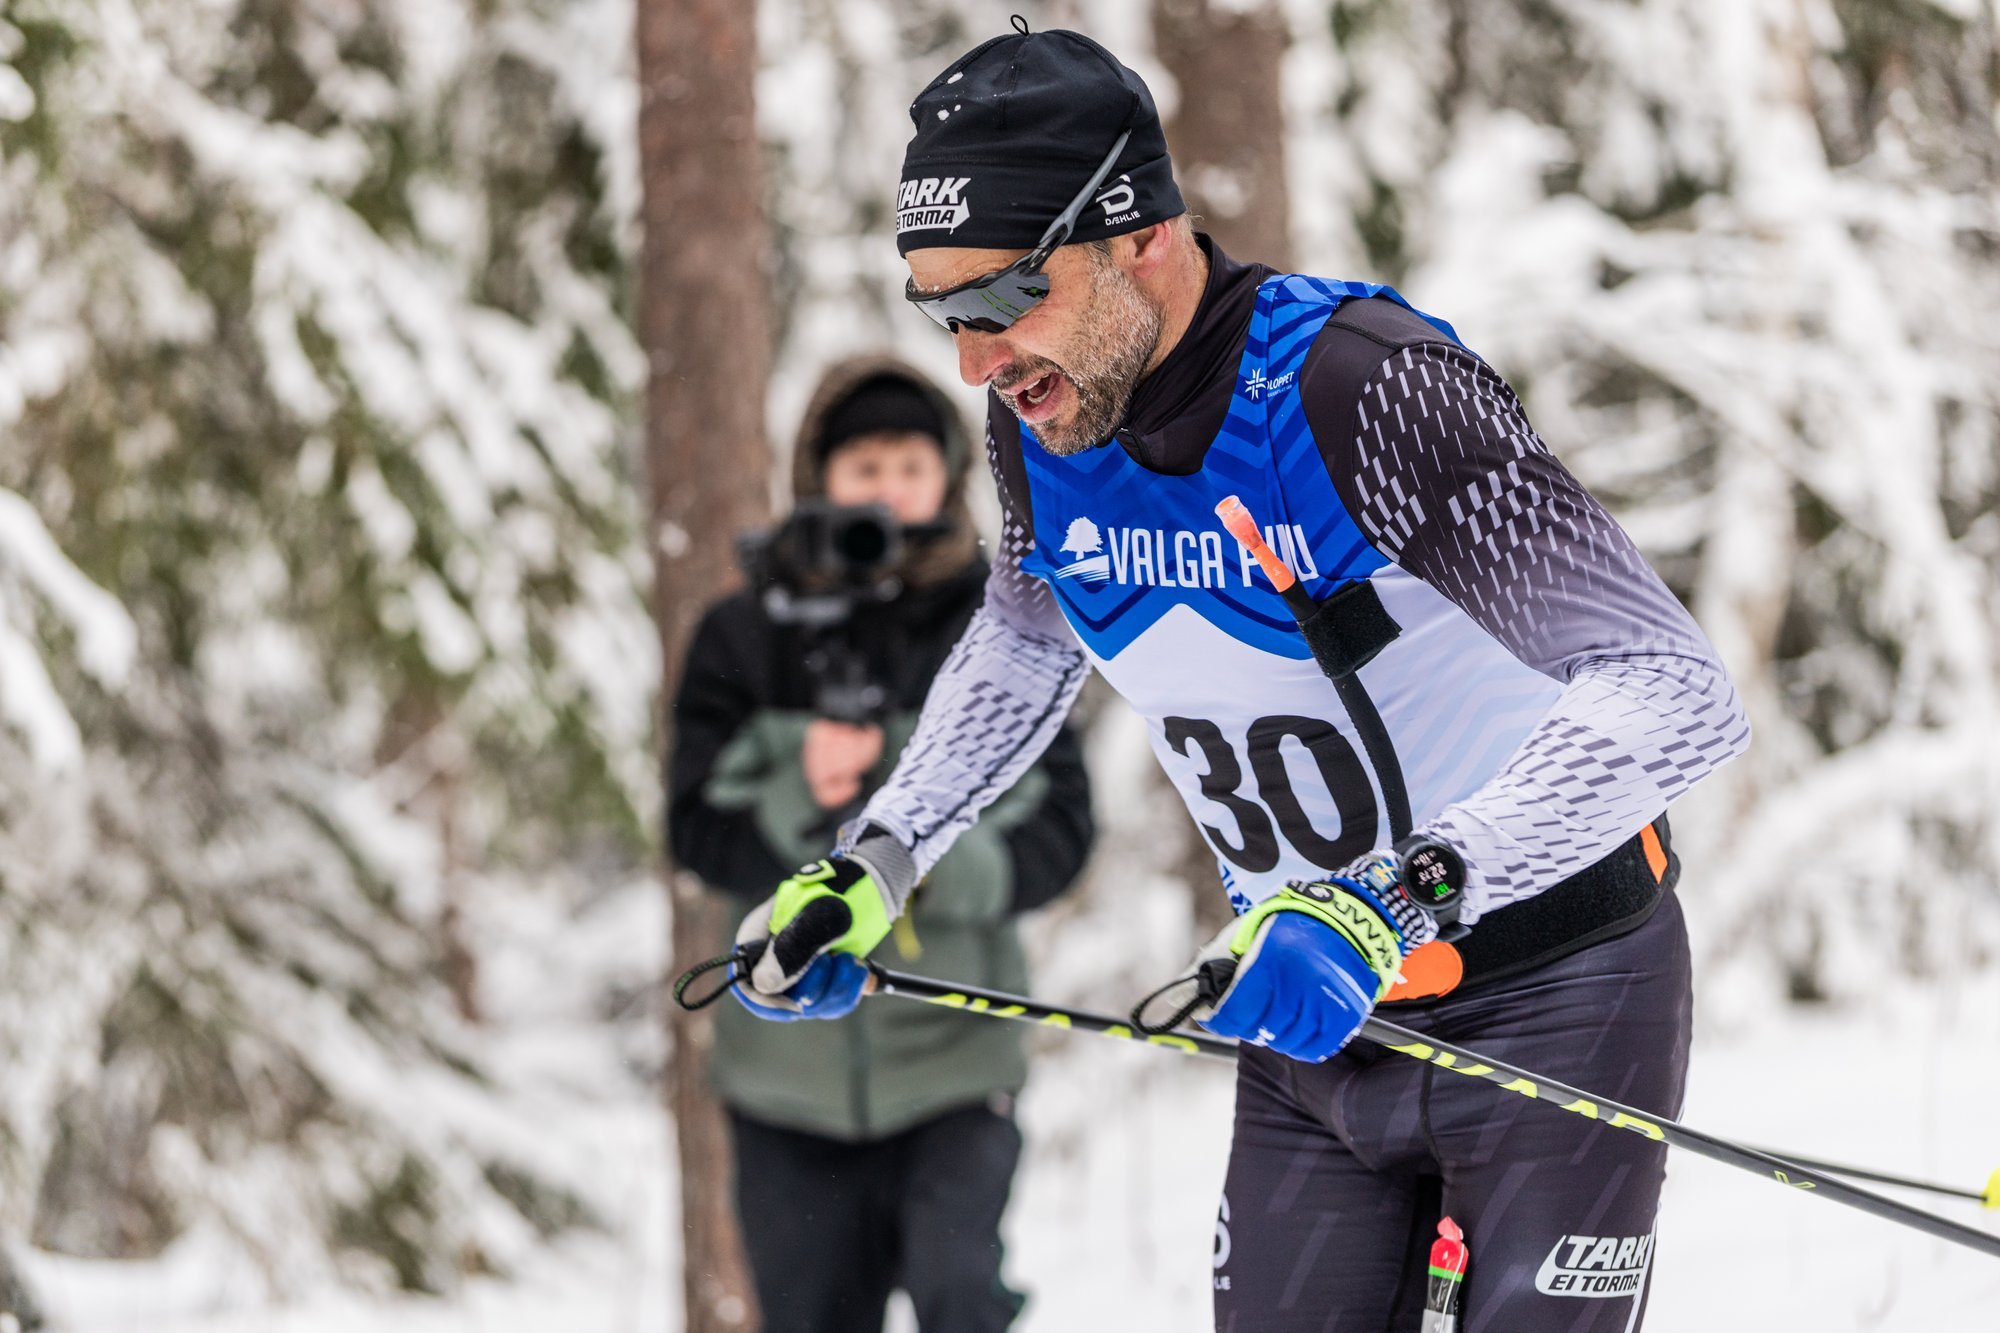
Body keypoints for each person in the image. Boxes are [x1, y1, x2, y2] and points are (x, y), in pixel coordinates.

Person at [729, 21, 1751, 1333]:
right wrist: (881, 855)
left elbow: (1670, 683)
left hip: (1556, 986)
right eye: (942, 314)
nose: (975, 362)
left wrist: (1403, 894)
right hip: (1314, 1014)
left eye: (1001, 301)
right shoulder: (1046, 416)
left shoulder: (1360, 388)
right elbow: (1028, 635)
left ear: (1142, 237)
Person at [668, 357, 1093, 1333]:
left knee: (960, 1299)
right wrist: (796, 790)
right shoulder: (741, 634)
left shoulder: (1002, 624)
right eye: (866, 467)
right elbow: (693, 830)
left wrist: (912, 862)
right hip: (784, 1084)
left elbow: (1062, 833)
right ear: (819, 476)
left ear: (949, 475)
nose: (890, 491)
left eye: (911, 465)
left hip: (956, 1060)